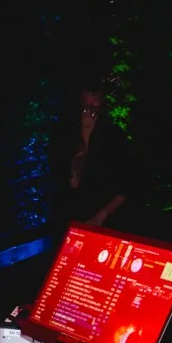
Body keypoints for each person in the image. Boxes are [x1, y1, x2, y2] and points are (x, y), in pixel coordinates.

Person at [48, 83, 132, 232]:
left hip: (108, 222)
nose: (96, 102)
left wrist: (102, 214)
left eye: (99, 95)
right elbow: (71, 181)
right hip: (73, 221)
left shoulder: (114, 135)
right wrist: (85, 137)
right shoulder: (62, 136)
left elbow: (129, 182)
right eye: (92, 94)